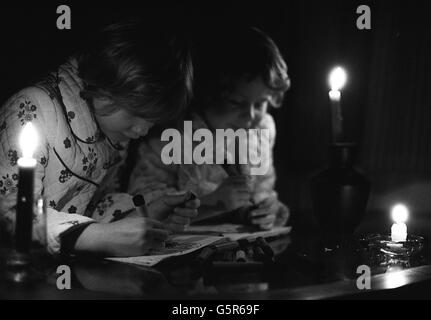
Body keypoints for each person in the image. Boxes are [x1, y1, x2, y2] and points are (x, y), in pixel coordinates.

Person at [0, 20, 200, 257]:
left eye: (153, 120)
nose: (143, 130)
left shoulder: (115, 135)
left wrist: (148, 213)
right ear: (106, 91)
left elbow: (91, 208)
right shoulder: (32, 110)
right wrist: (97, 237)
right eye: (138, 114)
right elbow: (11, 211)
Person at [128, 25, 290, 230]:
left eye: (260, 104)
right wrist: (211, 202)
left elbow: (263, 190)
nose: (250, 117)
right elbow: (143, 200)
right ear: (208, 94)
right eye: (235, 102)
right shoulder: (173, 133)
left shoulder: (261, 131)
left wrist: (266, 209)